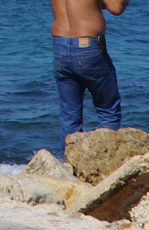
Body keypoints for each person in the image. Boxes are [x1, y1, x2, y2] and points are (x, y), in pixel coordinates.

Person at [51, 0, 127, 140]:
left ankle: (68, 160)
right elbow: (116, 8)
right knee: (108, 110)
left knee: (69, 116)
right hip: (87, 45)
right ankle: (105, 158)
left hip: (60, 45)